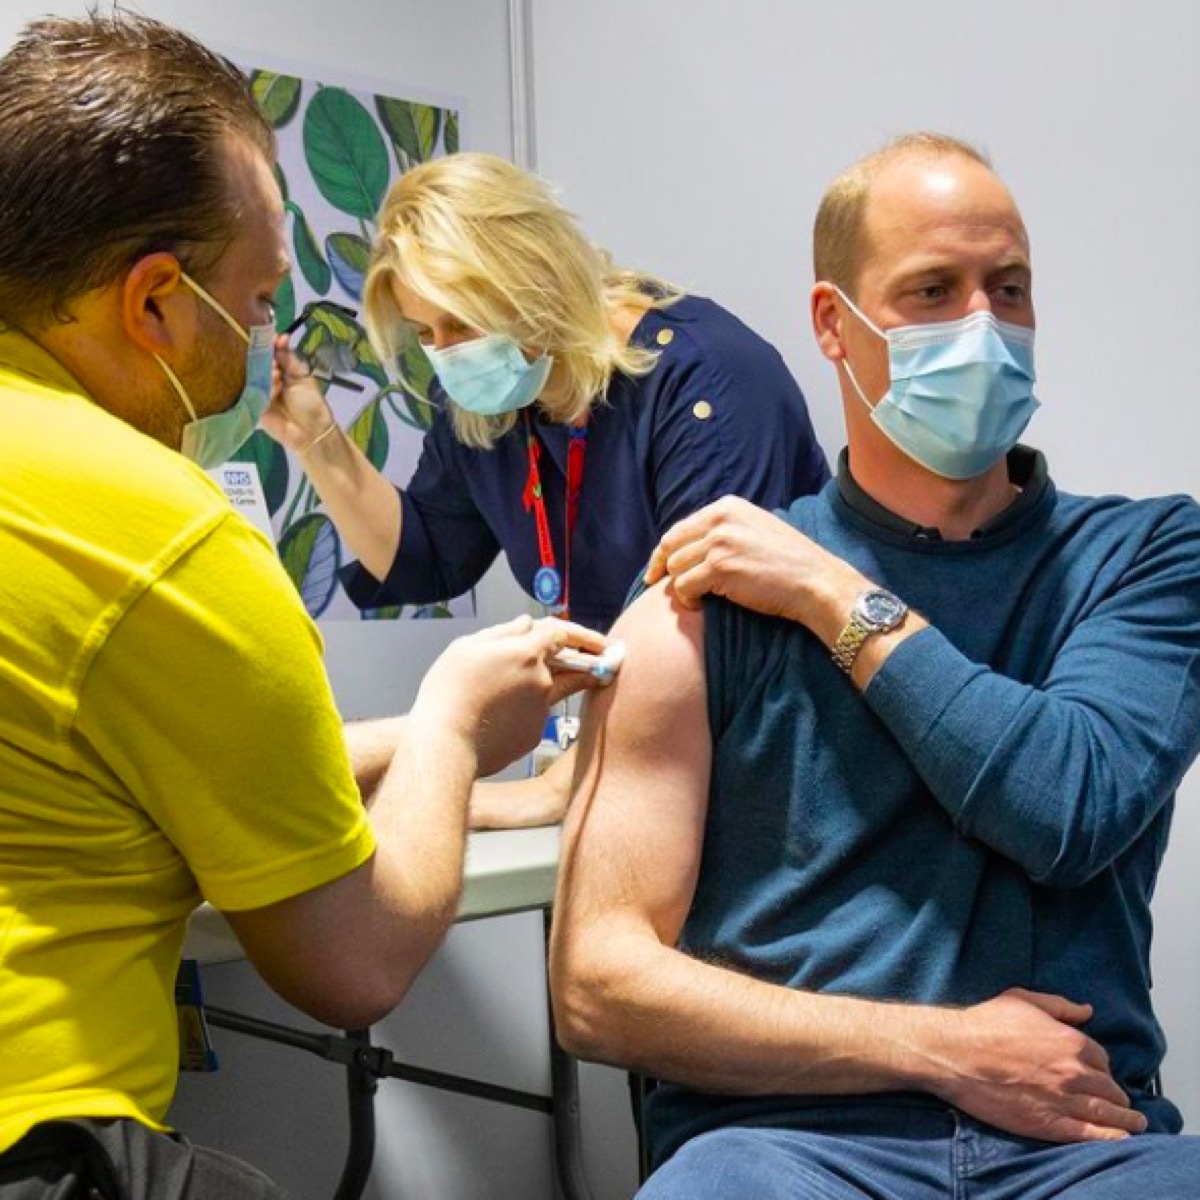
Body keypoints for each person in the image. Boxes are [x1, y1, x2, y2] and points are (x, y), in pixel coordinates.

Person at [0, 13, 608, 1198]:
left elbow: (127, 756)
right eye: (258, 294)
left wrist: (403, 748)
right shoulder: (160, 532)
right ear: (158, 302)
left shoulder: (692, 373)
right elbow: (353, 963)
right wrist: (444, 726)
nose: (264, 330)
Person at [549, 132, 1200, 1197]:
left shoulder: (1145, 555)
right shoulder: (703, 599)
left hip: (1085, 1149)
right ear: (833, 327)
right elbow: (597, 985)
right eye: (934, 291)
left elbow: (1068, 806)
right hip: (783, 1148)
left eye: (1010, 287)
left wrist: (834, 595)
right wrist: (940, 1050)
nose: (983, 325)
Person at [263, 152, 831, 637]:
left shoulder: (705, 380)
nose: (446, 352)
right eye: (424, 334)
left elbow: (718, 632)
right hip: (648, 731)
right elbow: (429, 556)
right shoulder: (493, 402)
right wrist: (315, 437)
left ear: (534, 281)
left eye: (461, 323)